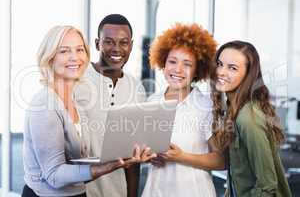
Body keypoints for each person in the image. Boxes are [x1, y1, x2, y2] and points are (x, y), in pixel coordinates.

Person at [22, 25, 144, 197]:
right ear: (50, 58)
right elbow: (54, 176)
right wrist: (106, 167)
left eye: (80, 50)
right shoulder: (45, 104)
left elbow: (77, 163)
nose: (74, 57)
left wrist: (123, 158)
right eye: (64, 51)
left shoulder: (75, 102)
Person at [141, 23, 224, 197]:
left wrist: (181, 156)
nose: (178, 69)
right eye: (172, 61)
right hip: (154, 191)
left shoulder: (207, 106)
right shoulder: (151, 102)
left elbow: (222, 160)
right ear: (163, 63)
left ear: (197, 70)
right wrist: (148, 156)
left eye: (187, 64)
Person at [74, 14, 148, 197]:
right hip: (77, 191)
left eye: (123, 42)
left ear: (130, 45)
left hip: (117, 191)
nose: (116, 49)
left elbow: (133, 155)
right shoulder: (76, 80)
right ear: (98, 44)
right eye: (109, 42)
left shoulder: (137, 88)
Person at [210, 40, 292, 197]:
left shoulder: (248, 118)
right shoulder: (233, 109)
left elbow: (267, 185)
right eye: (219, 64)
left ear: (248, 75)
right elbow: (238, 176)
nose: (220, 72)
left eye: (232, 68)